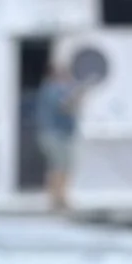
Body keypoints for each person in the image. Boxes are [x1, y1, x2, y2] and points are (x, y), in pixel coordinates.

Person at [32, 53, 84, 210]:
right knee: (59, 167)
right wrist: (77, 95)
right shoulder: (52, 89)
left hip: (59, 133)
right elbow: (64, 107)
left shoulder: (59, 88)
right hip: (54, 134)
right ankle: (57, 199)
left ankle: (60, 198)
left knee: (62, 166)